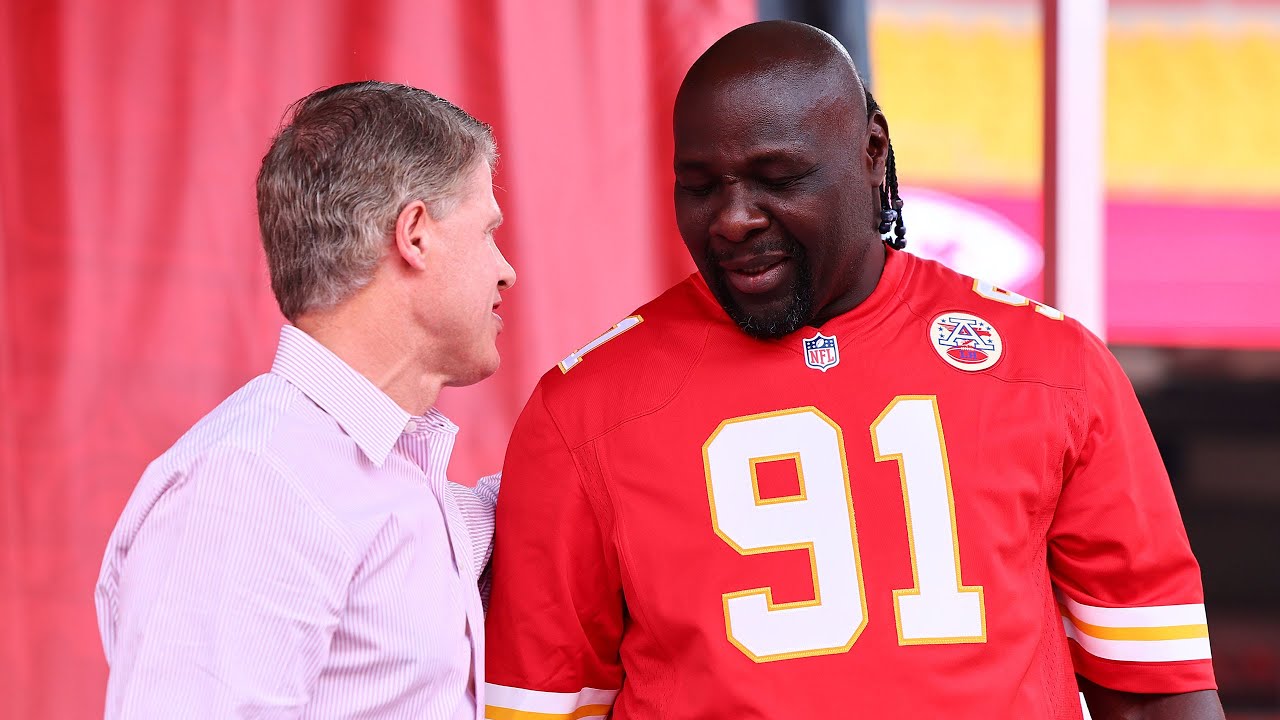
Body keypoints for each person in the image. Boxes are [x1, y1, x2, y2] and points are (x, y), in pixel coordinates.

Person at [482, 21, 1222, 720]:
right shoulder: (582, 410)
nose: (733, 218)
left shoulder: (1052, 368)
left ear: (872, 152)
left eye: (778, 175)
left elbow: (1156, 692)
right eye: (701, 184)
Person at [95, 81, 515, 719]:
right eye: (487, 232)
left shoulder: (397, 482)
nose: (505, 269)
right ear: (415, 235)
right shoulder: (251, 483)